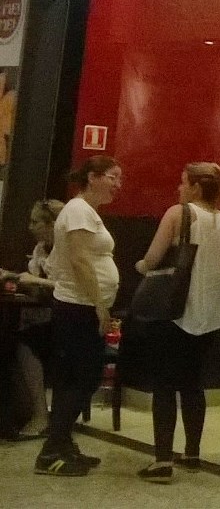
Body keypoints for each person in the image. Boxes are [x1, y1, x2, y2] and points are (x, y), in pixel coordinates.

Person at [134, 162, 220, 484]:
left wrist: (140, 266)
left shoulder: (177, 214)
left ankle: (162, 461)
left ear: (196, 187)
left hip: (173, 312)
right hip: (209, 315)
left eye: (183, 182)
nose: (179, 188)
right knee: (193, 383)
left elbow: (153, 258)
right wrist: (215, 265)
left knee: (164, 385)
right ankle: (192, 453)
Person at [35, 155, 121, 476]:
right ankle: (50, 452)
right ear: (93, 177)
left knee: (83, 378)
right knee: (78, 379)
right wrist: (99, 305)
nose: (118, 184)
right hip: (77, 308)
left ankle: (62, 444)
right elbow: (80, 260)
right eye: (112, 177)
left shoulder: (88, 213)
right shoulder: (77, 210)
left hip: (84, 307)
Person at [3, 200, 63, 439]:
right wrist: (14, 278)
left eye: (35, 221)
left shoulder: (66, 249)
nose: (30, 227)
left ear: (51, 224)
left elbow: (68, 287)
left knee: (26, 344)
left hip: (68, 317)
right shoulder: (40, 249)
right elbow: (37, 286)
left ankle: (40, 414)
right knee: (12, 340)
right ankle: (21, 411)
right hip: (44, 314)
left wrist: (32, 281)